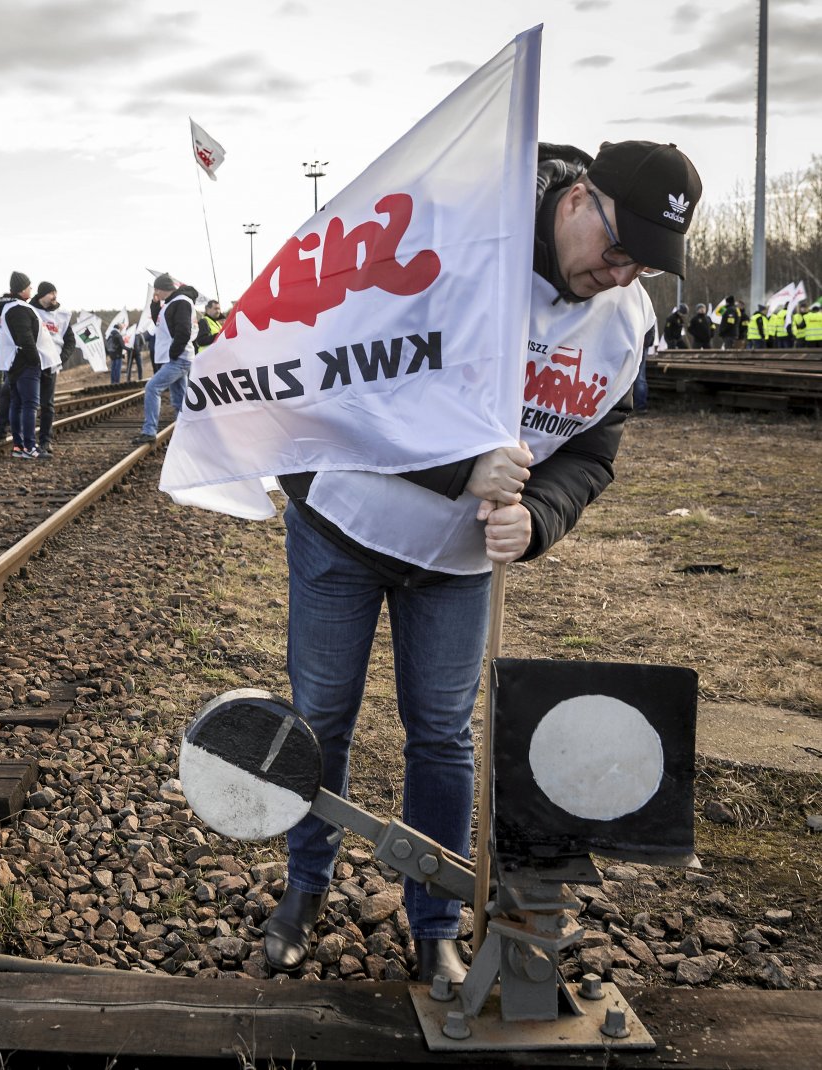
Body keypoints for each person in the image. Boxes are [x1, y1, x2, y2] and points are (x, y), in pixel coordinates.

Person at [262, 140, 701, 985]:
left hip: (456, 563)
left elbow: (592, 452)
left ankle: (434, 924)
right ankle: (304, 889)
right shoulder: (449, 243)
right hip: (342, 523)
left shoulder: (624, 318)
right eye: (616, 252)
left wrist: (538, 517)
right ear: (580, 201)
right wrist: (457, 471)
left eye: (641, 267)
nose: (620, 277)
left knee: (441, 739)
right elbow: (334, 386)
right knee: (322, 721)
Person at [133, 273, 195, 444]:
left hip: (179, 358)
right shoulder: (171, 303)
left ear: (159, 289)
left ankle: (149, 431)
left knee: (152, 388)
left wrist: (174, 353)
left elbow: (183, 331)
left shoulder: (180, 302)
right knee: (179, 399)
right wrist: (154, 304)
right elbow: (161, 323)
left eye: (156, 290)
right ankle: (188, 435)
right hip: (177, 357)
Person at [0, 271, 45, 459]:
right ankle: (29, 447)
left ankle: (18, 446)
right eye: (30, 286)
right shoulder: (19, 309)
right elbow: (25, 337)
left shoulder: (8, 307)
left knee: (16, 404)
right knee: (29, 404)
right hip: (24, 362)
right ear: (23, 288)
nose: (32, 288)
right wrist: (35, 360)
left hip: (13, 362)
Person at [33, 282, 62, 457]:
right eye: (51, 293)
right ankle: (22, 440)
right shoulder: (30, 310)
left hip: (51, 365)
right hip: (33, 364)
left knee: (47, 405)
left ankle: (45, 440)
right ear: (42, 295)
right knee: (28, 403)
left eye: (55, 293)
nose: (54, 297)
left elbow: (69, 339)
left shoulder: (60, 314)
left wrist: (60, 359)